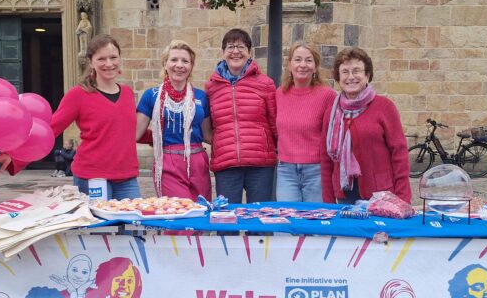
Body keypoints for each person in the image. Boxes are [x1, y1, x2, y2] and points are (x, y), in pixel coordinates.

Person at [0, 34, 141, 200]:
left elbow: (129, 128)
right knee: (97, 226)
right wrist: (13, 156)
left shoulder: (127, 93)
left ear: (119, 58)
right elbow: (49, 129)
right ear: (91, 62)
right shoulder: (78, 95)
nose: (109, 64)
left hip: (127, 178)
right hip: (92, 178)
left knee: (133, 224)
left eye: (113, 57)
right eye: (101, 58)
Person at [321, 47, 411, 204]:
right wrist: (328, 202)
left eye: (356, 71)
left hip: (381, 194)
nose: (351, 77)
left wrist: (403, 198)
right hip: (345, 195)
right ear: (338, 77)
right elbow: (326, 159)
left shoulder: (384, 107)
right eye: (345, 72)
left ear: (367, 75)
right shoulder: (332, 112)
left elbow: (399, 153)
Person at [205, 28, 277, 204]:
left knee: (260, 219)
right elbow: (209, 125)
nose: (235, 52)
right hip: (226, 163)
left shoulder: (265, 84)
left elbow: (275, 122)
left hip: (260, 164)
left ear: (249, 52)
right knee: (227, 220)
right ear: (223, 53)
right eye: (230, 47)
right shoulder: (211, 87)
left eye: (241, 47)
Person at [135, 40, 212, 200]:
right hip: (168, 161)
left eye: (185, 61)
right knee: (179, 213)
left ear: (191, 66)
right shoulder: (152, 95)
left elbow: (207, 135)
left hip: (198, 160)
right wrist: (156, 137)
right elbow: (135, 133)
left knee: (201, 213)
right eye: (174, 59)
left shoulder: (201, 96)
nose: (179, 65)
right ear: (165, 64)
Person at [275, 42, 337, 203]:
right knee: (286, 221)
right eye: (298, 60)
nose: (303, 65)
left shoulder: (327, 96)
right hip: (286, 169)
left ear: (315, 67)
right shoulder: (279, 94)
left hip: (316, 170)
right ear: (289, 65)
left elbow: (333, 134)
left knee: (315, 222)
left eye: (309, 60)